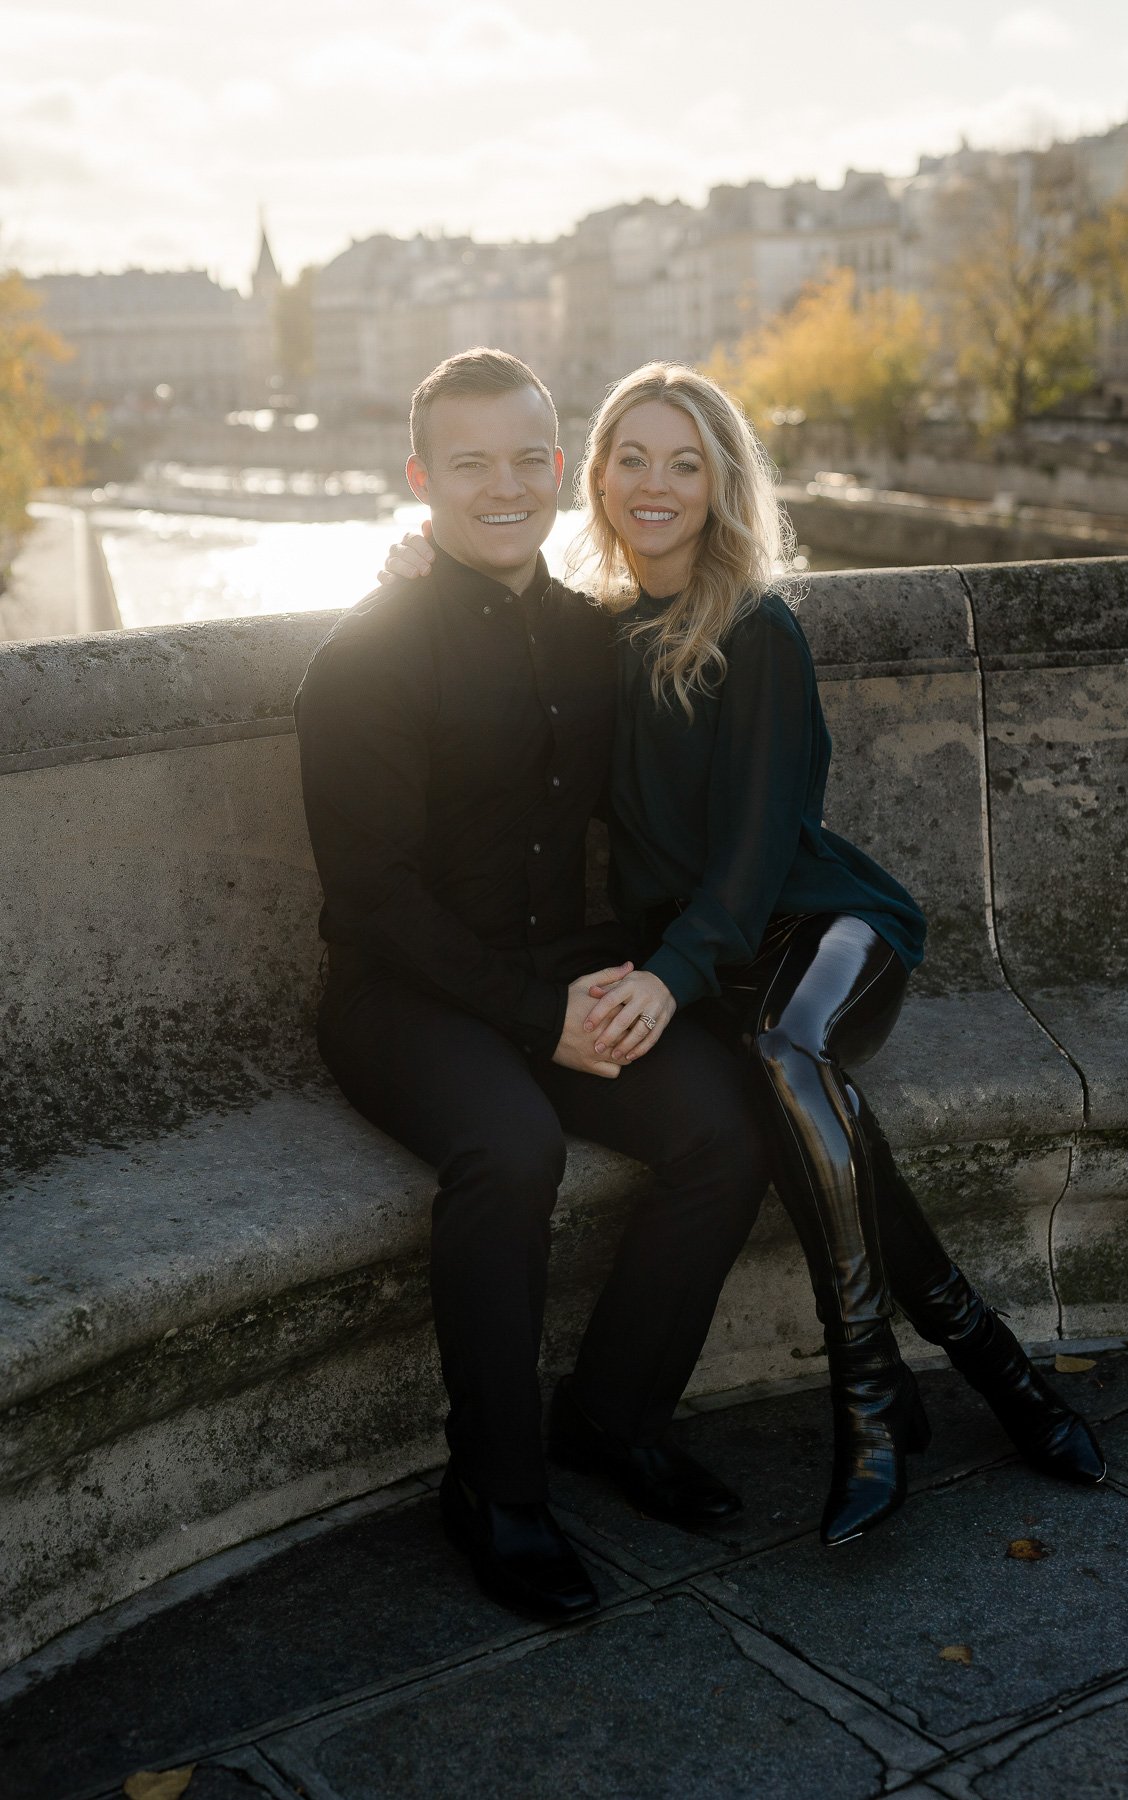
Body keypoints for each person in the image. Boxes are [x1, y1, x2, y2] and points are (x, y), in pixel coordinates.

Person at [383, 360, 1106, 1549]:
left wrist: (669, 978)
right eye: (633, 459)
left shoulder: (757, 629)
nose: (656, 485)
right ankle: (995, 1364)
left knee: (783, 1048)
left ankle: (868, 1392)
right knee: (790, 1103)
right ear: (598, 478)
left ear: (722, 484)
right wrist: (412, 563)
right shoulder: (598, 639)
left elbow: (761, 850)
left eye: (685, 463)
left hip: (823, 928)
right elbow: (480, 617)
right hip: (713, 958)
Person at [293, 349, 770, 1625]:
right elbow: (375, 900)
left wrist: (619, 988)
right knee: (509, 1148)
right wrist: (539, 1017)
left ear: (560, 469)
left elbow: (713, 637)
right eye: (470, 464)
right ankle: (496, 1491)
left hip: (558, 968)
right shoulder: (365, 654)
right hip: (399, 997)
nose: (503, 486)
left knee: (727, 1125)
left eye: (527, 458)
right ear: (421, 480)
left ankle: (613, 1417)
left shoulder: (591, 635)